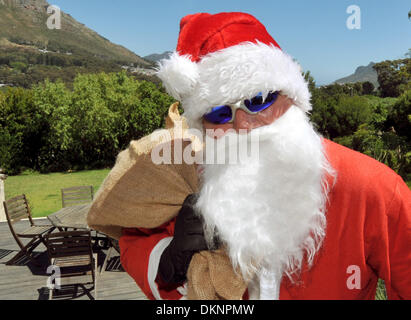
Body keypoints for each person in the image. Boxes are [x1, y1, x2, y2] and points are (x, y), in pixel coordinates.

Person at [119, 12, 411, 300]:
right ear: (202, 125)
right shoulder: (187, 179)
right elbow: (131, 239)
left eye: (258, 100)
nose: (243, 125)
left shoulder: (374, 189)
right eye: (219, 113)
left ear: (291, 95)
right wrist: (167, 259)